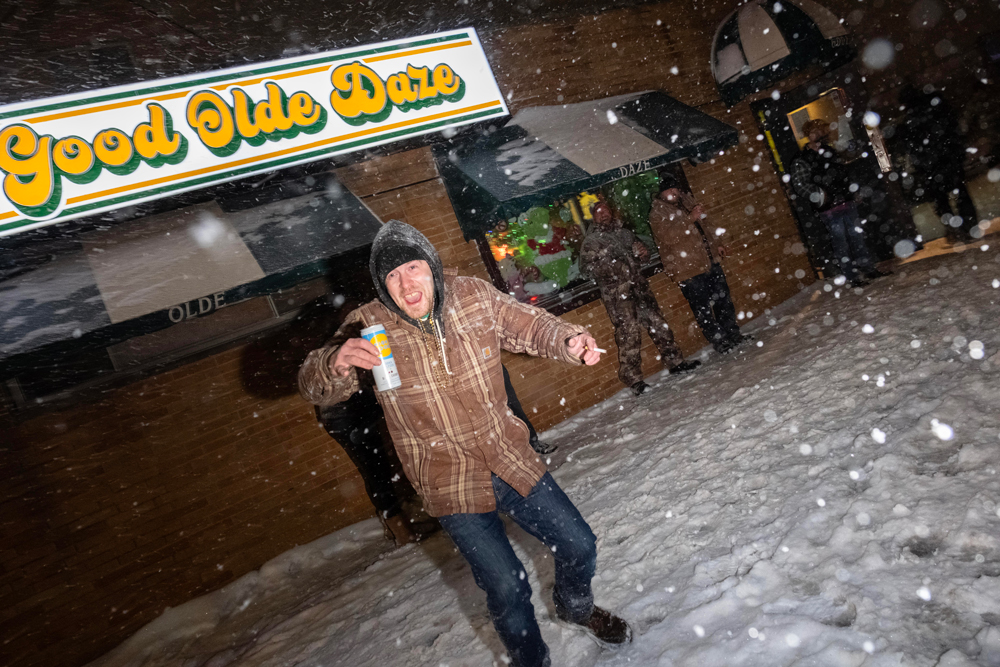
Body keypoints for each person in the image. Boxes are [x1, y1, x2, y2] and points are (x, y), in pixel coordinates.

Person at [298, 219, 630, 667]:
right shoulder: (366, 324)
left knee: (579, 545)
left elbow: (530, 326)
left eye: (413, 268)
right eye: (392, 276)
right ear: (382, 285)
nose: (405, 283)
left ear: (431, 267)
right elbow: (315, 383)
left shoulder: (472, 295)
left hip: (507, 454)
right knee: (507, 587)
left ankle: (576, 607)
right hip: (447, 480)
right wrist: (332, 365)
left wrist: (568, 340)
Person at [579, 201, 700, 396]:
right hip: (618, 296)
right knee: (629, 335)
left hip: (640, 289)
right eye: (599, 212)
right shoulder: (591, 242)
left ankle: (676, 362)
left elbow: (642, 251)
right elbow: (586, 270)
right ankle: (634, 380)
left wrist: (643, 252)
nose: (604, 215)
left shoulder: (624, 233)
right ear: (593, 217)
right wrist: (612, 266)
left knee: (659, 325)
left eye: (606, 210)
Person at [317, 390, 438, 546]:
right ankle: (402, 533)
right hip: (350, 414)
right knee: (377, 472)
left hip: (348, 412)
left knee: (376, 470)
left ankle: (398, 527)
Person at [648, 182, 749, 354]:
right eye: (669, 189)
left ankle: (732, 334)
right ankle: (720, 341)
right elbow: (669, 237)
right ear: (661, 192)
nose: (674, 192)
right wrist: (690, 219)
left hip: (709, 261)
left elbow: (705, 225)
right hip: (687, 269)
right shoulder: (657, 214)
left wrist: (716, 244)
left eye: (675, 188)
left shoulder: (687, 201)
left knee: (723, 301)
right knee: (703, 310)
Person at [791, 118, 886, 286]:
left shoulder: (829, 151)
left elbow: (843, 174)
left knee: (857, 238)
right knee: (841, 243)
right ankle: (852, 277)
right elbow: (800, 185)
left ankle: (868, 269)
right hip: (828, 208)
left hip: (845, 201)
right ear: (811, 133)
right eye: (820, 131)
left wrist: (852, 192)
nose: (824, 134)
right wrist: (819, 195)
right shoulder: (802, 159)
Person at [896, 85, 979, 243]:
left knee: (941, 200)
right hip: (947, 158)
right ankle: (968, 226)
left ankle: (956, 228)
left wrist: (921, 163)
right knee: (960, 193)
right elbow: (952, 130)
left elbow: (912, 145)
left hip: (932, 165)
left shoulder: (911, 121)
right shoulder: (937, 110)